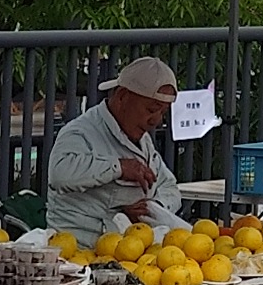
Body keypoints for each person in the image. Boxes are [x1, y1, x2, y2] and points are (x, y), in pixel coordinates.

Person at [46, 54, 186, 237]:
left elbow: (169, 187)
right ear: (122, 96)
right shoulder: (81, 132)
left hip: (133, 244)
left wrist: (152, 209)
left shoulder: (143, 140)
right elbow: (59, 174)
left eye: (163, 112)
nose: (156, 121)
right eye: (151, 110)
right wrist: (118, 167)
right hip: (80, 244)